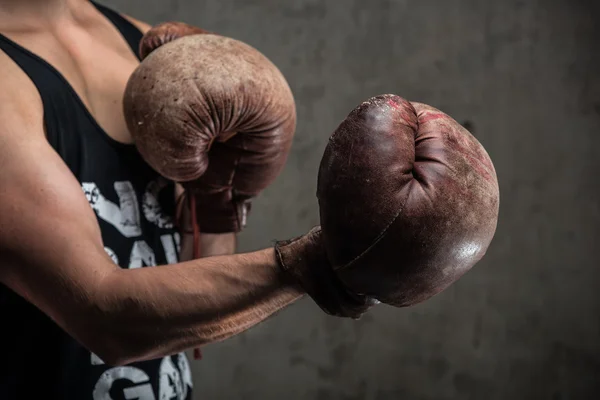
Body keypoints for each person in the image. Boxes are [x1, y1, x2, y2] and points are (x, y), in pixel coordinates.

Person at [0, 0, 372, 399]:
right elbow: (105, 320)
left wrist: (213, 199)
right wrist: (310, 266)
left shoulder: (141, 42)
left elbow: (192, 308)